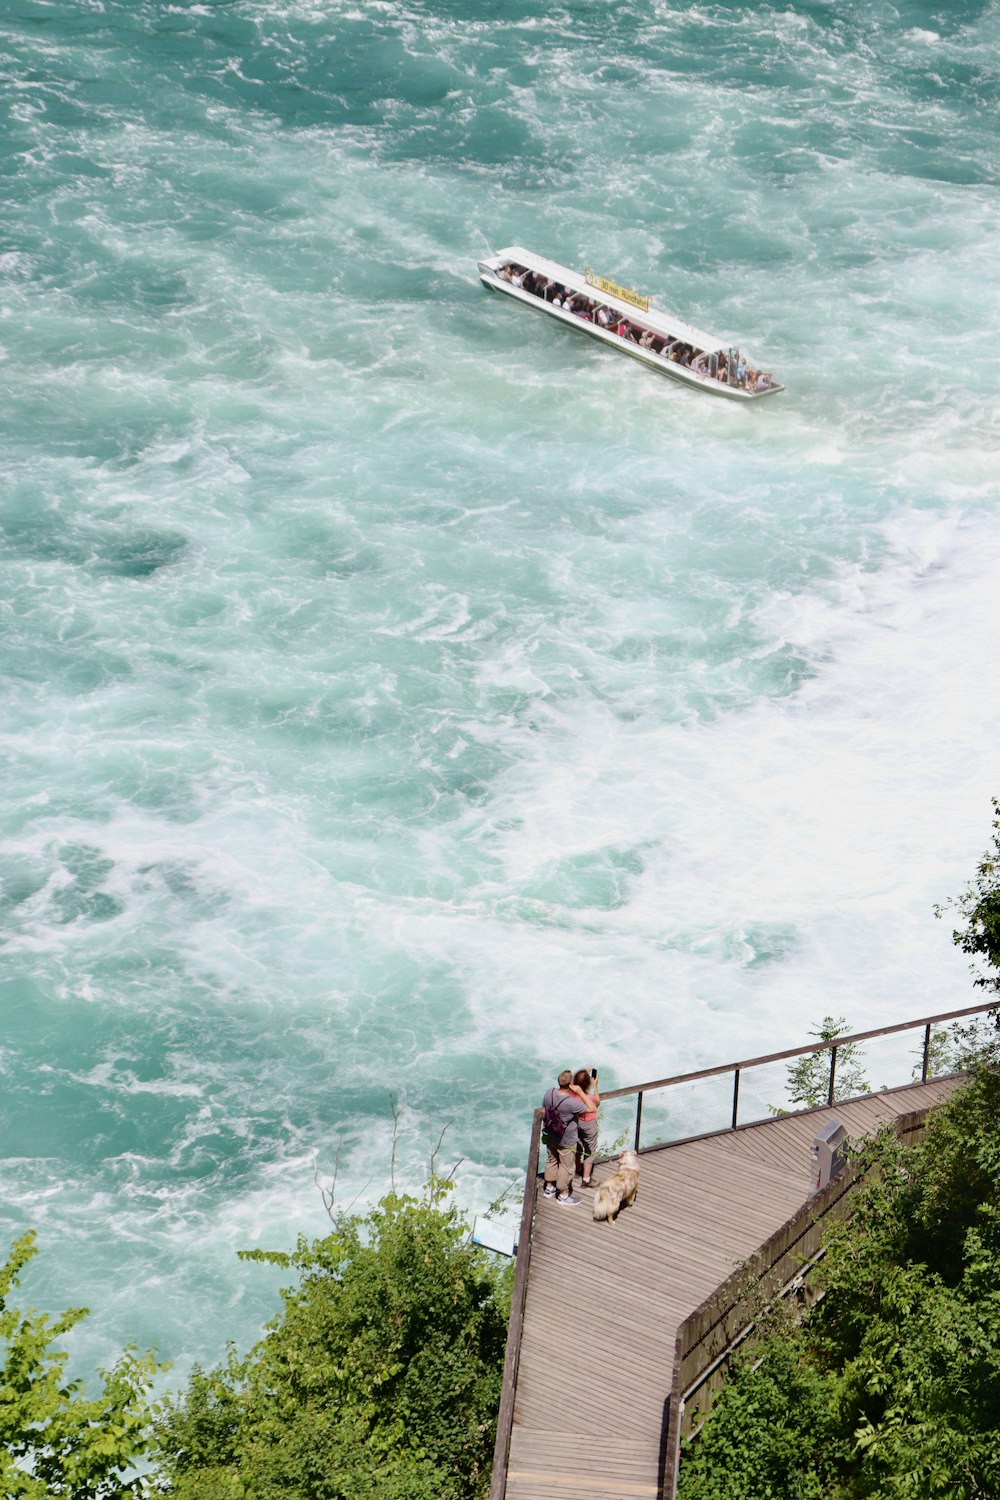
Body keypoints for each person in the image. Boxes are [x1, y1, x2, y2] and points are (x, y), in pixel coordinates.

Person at [541, 1070, 587, 1206]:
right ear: (571, 1084)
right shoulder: (572, 1103)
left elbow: (545, 1108)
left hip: (550, 1135)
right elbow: (591, 1108)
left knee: (551, 1160)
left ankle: (549, 1188)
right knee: (566, 1167)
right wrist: (580, 1092)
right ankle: (563, 1195)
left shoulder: (549, 1092)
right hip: (566, 1140)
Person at [571, 1068, 600, 1186]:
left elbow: (572, 1082)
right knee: (589, 1150)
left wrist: (582, 1073)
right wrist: (595, 1086)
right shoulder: (589, 1098)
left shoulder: (570, 1093)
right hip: (589, 1124)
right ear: (588, 1084)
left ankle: (577, 1170)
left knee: (578, 1146)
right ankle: (586, 1179)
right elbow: (597, 1102)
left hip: (576, 1123)